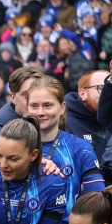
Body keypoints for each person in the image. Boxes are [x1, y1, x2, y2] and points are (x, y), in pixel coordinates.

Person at [26, 76, 104, 213]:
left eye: (47, 105)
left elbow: (98, 200)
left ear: (62, 108)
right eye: (34, 106)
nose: (40, 112)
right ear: (27, 108)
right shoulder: (15, 145)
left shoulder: (80, 148)